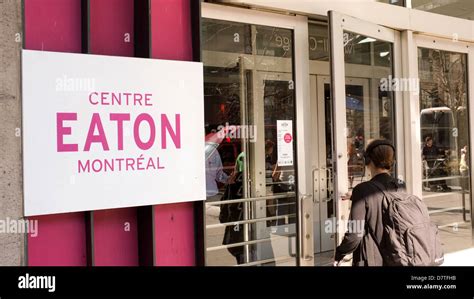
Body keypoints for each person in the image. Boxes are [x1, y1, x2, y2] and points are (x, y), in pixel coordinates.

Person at [334, 139, 405, 266]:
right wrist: (357, 197)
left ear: (368, 161)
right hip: (397, 256)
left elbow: (354, 235)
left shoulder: (362, 190)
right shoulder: (400, 185)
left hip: (371, 259)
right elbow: (385, 204)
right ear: (392, 162)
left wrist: (340, 252)